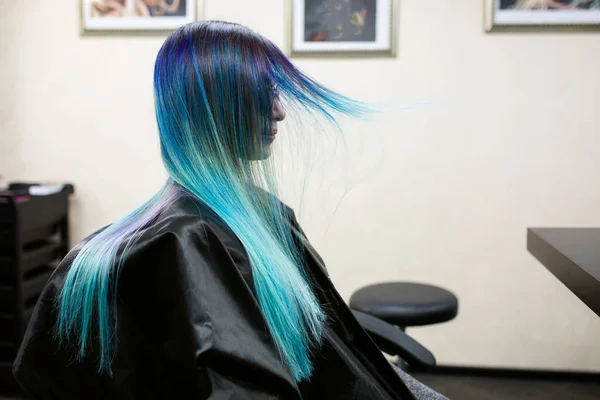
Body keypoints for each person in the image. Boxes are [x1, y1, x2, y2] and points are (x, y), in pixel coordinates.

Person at [13, 21, 447, 399]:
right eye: (264, 95)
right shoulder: (190, 239)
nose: (279, 112)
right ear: (216, 107)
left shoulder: (256, 217)